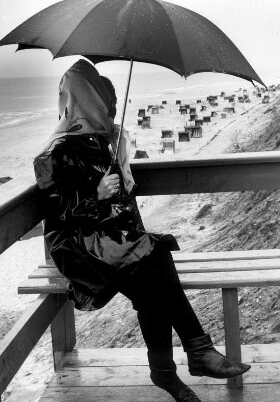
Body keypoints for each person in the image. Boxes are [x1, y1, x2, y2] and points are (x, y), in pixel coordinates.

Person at [33, 59, 250, 402]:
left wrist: (118, 171)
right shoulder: (54, 151)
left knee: (153, 268)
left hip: (108, 238)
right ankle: (190, 355)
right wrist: (95, 195)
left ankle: (176, 365)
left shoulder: (105, 142)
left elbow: (123, 205)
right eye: (102, 101)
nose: (108, 108)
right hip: (76, 245)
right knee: (153, 264)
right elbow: (56, 214)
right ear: (85, 100)